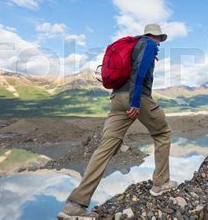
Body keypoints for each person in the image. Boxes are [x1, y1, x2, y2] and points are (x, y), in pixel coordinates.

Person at [58, 23, 177, 219]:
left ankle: (74, 205)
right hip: (136, 98)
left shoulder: (131, 45)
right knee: (163, 133)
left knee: (105, 147)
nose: (160, 43)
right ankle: (160, 184)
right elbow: (139, 73)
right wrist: (136, 101)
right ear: (154, 36)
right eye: (159, 39)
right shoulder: (148, 45)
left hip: (116, 100)